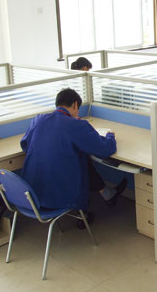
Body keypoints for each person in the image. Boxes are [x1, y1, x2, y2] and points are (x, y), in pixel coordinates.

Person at [20, 88, 127, 216]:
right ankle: (106, 195)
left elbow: (24, 145)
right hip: (59, 195)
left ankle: (107, 193)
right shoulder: (76, 125)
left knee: (81, 158)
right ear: (75, 105)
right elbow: (105, 150)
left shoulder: (38, 119)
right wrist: (110, 136)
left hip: (32, 193)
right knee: (82, 159)